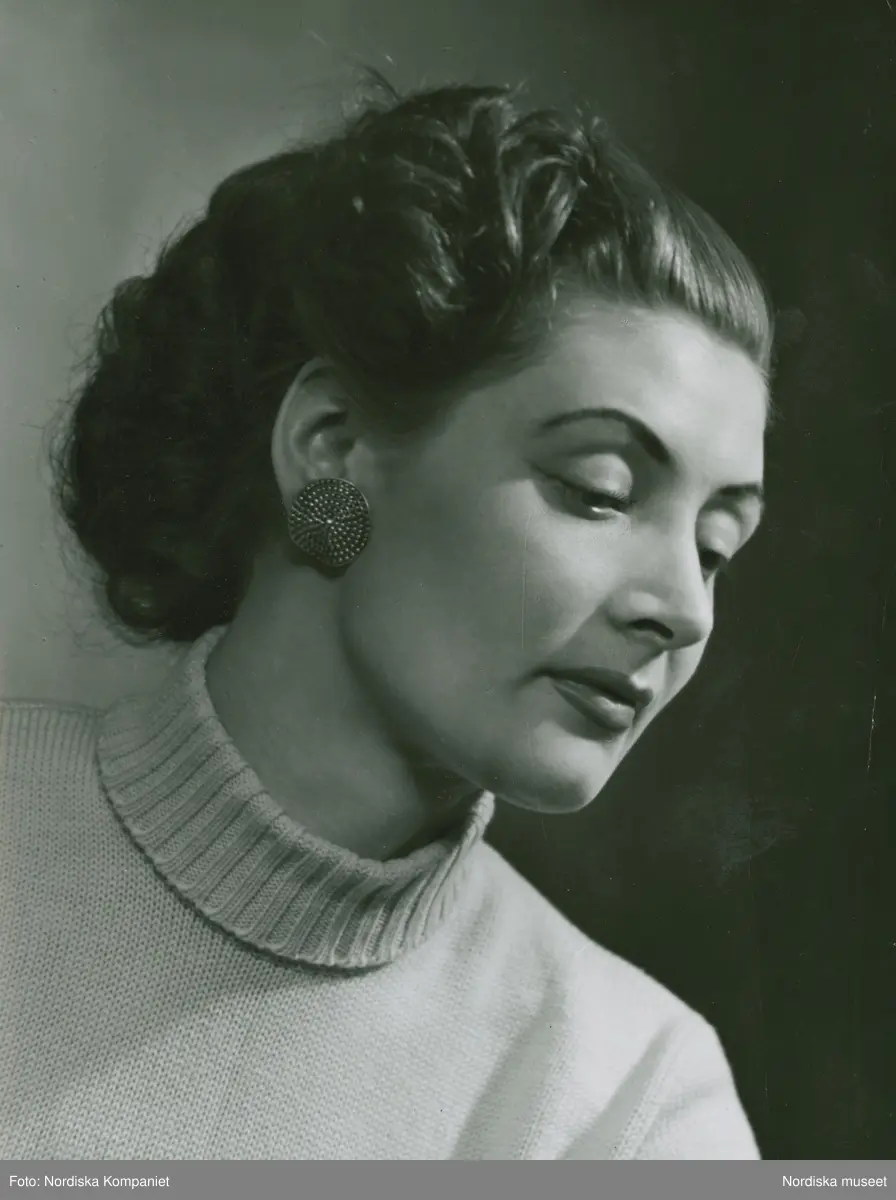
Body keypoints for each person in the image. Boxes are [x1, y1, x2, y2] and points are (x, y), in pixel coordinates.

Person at [0, 79, 772, 1160]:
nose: (682, 610)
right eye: (597, 490)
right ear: (332, 447)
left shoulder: (631, 1106)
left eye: (715, 548)